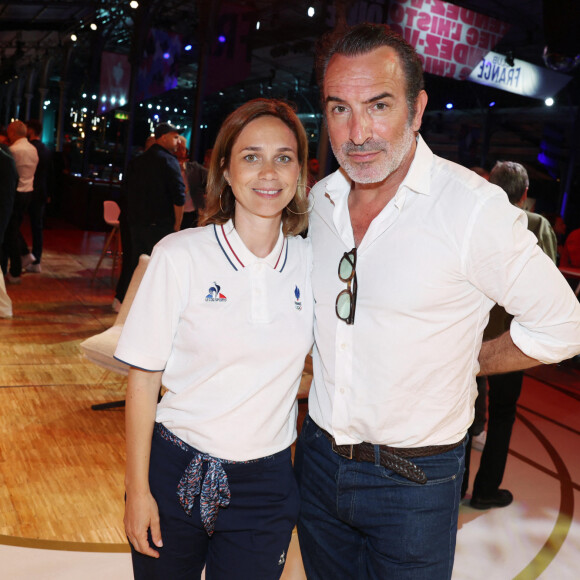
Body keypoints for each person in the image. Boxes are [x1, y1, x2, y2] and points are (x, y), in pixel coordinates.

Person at [295, 23, 580, 579]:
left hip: (415, 482)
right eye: (339, 109)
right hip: (318, 460)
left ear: (418, 108)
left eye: (379, 105)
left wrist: (470, 361)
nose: (357, 132)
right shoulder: (321, 199)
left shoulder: (472, 208)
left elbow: (563, 324)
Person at [115, 98, 313, 579]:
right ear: (224, 168)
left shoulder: (314, 263)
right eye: (251, 156)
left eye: (284, 157)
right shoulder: (180, 255)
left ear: (300, 172)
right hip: (173, 471)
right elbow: (143, 382)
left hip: (266, 484)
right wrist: (138, 490)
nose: (269, 172)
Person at [464, 161, 558, 510]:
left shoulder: (474, 219)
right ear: (525, 193)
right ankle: (487, 490)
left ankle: (454, 489)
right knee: (501, 416)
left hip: (469, 337)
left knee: (464, 414)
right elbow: (548, 284)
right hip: (510, 342)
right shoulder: (536, 225)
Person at [121, 122, 185, 304]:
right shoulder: (169, 161)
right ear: (163, 137)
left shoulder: (137, 160)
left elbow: (126, 191)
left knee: (137, 266)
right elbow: (178, 196)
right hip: (160, 225)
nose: (178, 141)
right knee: (158, 270)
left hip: (137, 223)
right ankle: (151, 309)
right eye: (174, 136)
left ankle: (130, 306)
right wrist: (177, 225)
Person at [3, 120, 38, 283]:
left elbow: (9, 175)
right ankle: (25, 255)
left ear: (12, 133)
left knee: (10, 231)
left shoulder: (13, 150)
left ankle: (16, 270)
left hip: (15, 193)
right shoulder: (33, 149)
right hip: (28, 193)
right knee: (14, 229)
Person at [18, 119, 52, 273]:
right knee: (37, 227)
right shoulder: (46, 149)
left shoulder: (29, 148)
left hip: (28, 189)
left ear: (30, 131)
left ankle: (23, 254)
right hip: (41, 191)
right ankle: (36, 260)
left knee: (14, 224)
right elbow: (51, 174)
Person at [175, 136, 208, 230]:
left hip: (191, 215)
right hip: (172, 215)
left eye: (183, 149)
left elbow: (212, 179)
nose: (181, 152)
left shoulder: (193, 168)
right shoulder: (168, 167)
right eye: (178, 149)